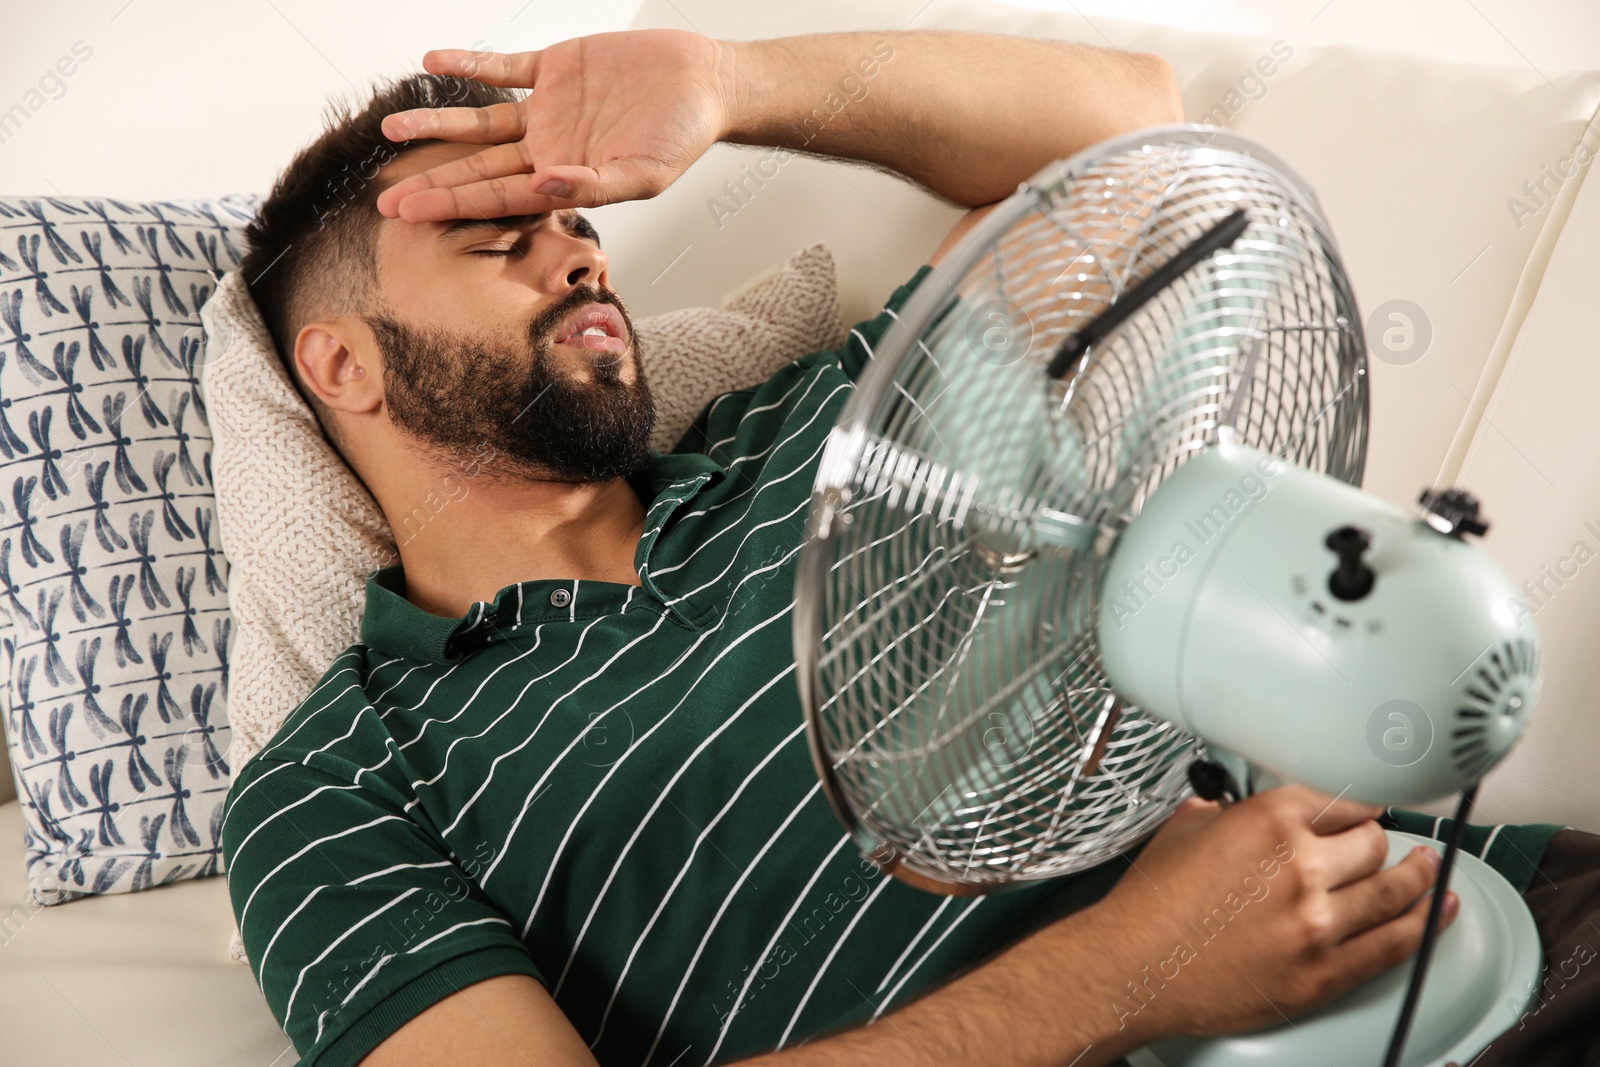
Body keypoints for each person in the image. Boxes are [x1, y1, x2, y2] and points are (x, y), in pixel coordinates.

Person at [219, 27, 1597, 1067]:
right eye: (504, 242)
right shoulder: (337, 789)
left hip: (1488, 933)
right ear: (344, 366)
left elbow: (1126, 141)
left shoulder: (845, 432)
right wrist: (1135, 969)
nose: (580, 258)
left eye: (581, 225)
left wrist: (732, 83)